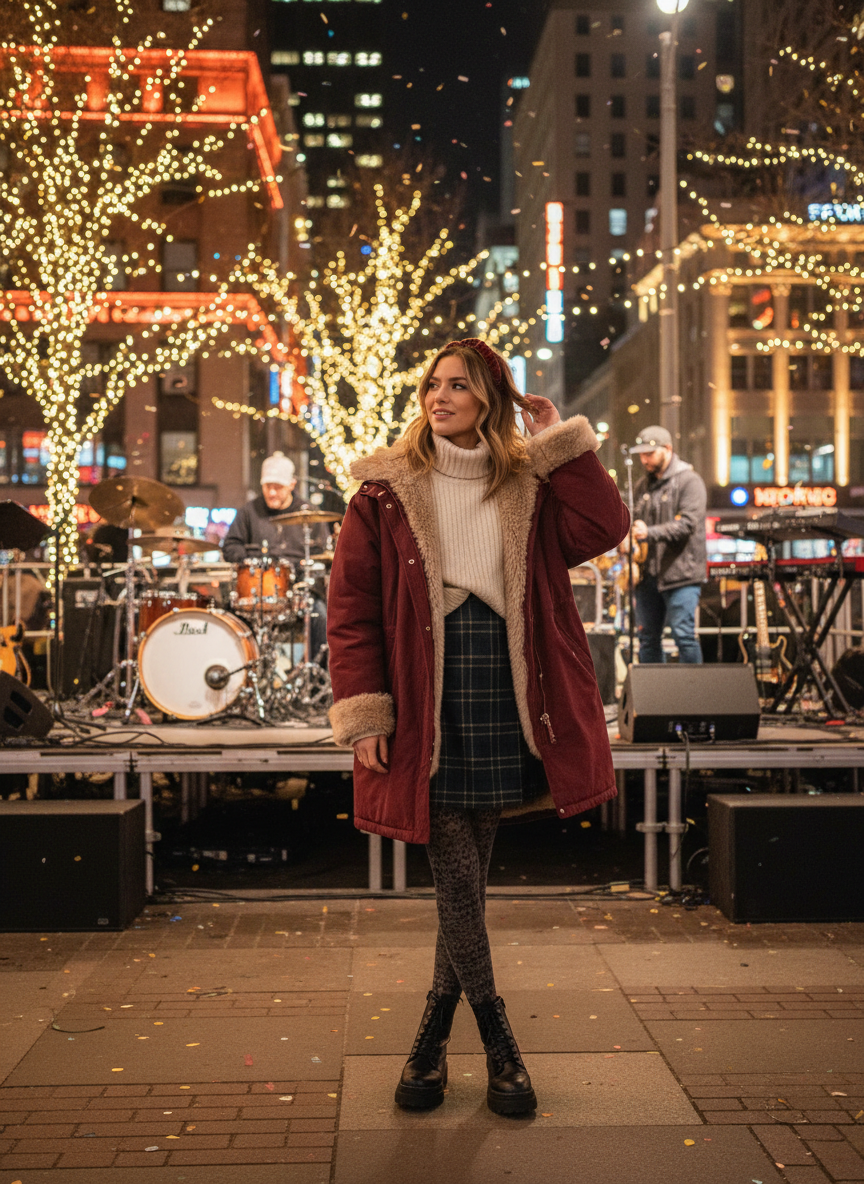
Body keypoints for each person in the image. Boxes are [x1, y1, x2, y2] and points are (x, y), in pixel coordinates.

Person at [326, 339, 629, 1116]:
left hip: (514, 683)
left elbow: (604, 526)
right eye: (431, 383)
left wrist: (563, 443)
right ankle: (498, 1044)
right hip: (427, 685)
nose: (439, 395)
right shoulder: (383, 493)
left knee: (467, 868)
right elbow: (352, 613)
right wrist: (366, 711)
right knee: (457, 866)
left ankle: (430, 1044)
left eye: (458, 385)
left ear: (490, 398)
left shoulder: (528, 480)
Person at [222, 452, 331, 660]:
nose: (271, 492)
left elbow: (322, 557)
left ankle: (315, 678)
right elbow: (230, 546)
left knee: (321, 617)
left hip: (299, 591)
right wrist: (248, 561)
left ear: (292, 484)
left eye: (278, 487)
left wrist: (306, 585)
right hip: (254, 593)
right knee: (228, 618)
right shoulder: (248, 512)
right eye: (267, 486)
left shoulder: (309, 512)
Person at [629, 425, 707, 664]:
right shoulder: (642, 486)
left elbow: (687, 524)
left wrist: (647, 533)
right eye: (641, 455)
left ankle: (694, 697)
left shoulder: (690, 481)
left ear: (668, 450)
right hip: (648, 577)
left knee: (684, 636)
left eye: (649, 454)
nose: (644, 460)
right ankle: (654, 699)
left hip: (681, 575)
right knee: (647, 639)